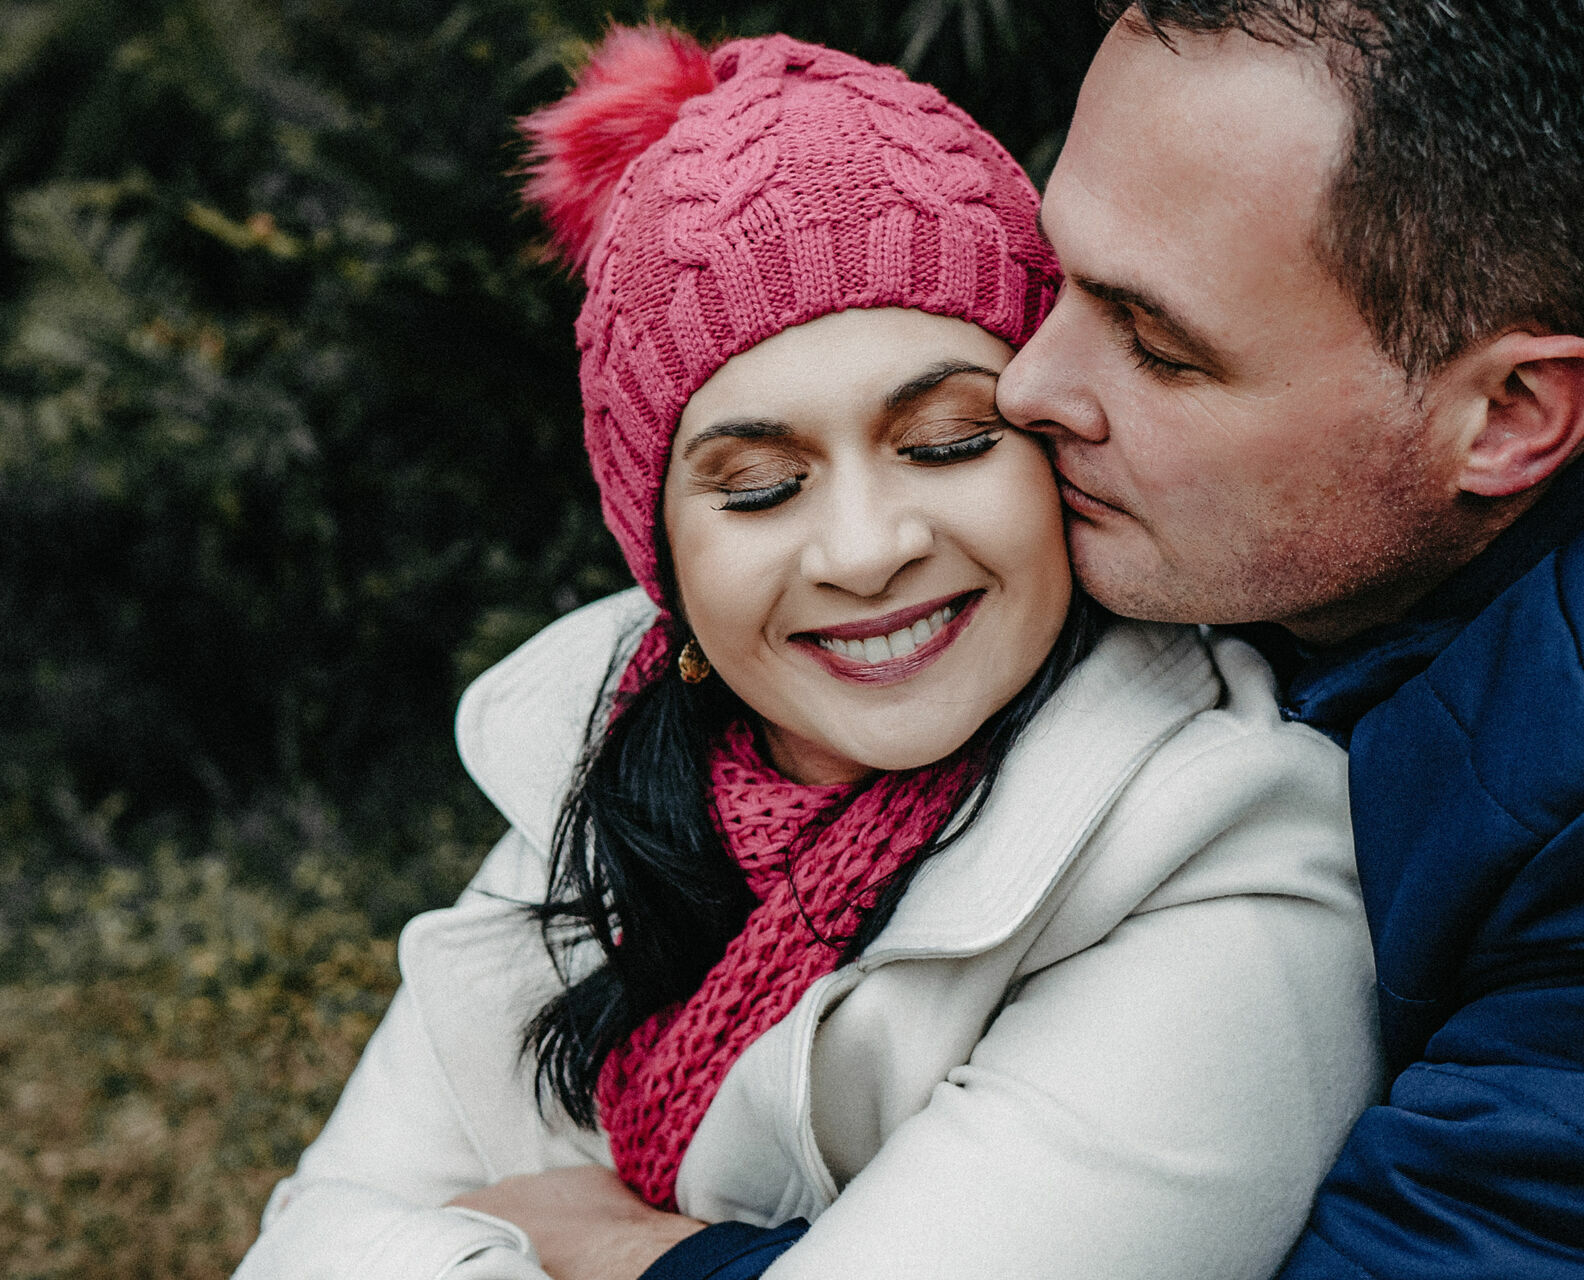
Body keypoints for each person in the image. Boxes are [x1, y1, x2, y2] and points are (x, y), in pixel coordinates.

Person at [612, 2, 1584, 1278]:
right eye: (1059, 278)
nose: (1028, 389)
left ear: (1509, 413)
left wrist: (664, 1260)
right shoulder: (1526, 273)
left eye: (1157, 346)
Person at [232, 25, 1380, 1280]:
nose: (863, 548)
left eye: (946, 441)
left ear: (1055, 445)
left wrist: (608, 1250)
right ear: (661, 553)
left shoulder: (1220, 851)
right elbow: (315, 1236)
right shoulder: (595, 743)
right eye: (763, 483)